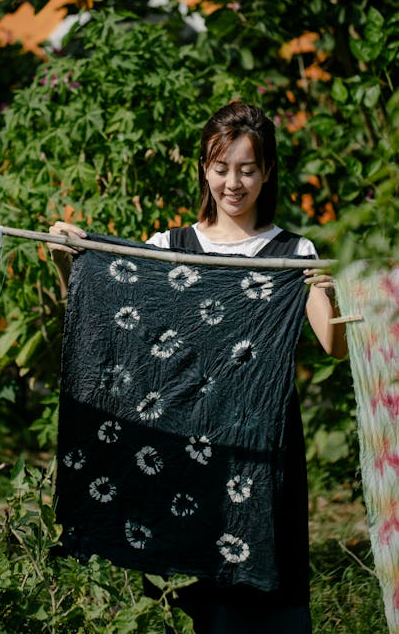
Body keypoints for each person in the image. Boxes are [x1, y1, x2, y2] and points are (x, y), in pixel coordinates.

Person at [48, 101, 347, 634]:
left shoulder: (291, 252)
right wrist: (70, 260)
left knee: (257, 589)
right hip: (177, 446)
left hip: (259, 447)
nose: (233, 183)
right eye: (221, 167)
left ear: (267, 172)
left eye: (247, 169)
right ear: (204, 169)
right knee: (179, 592)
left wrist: (333, 290)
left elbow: (333, 344)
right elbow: (115, 326)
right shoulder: (169, 248)